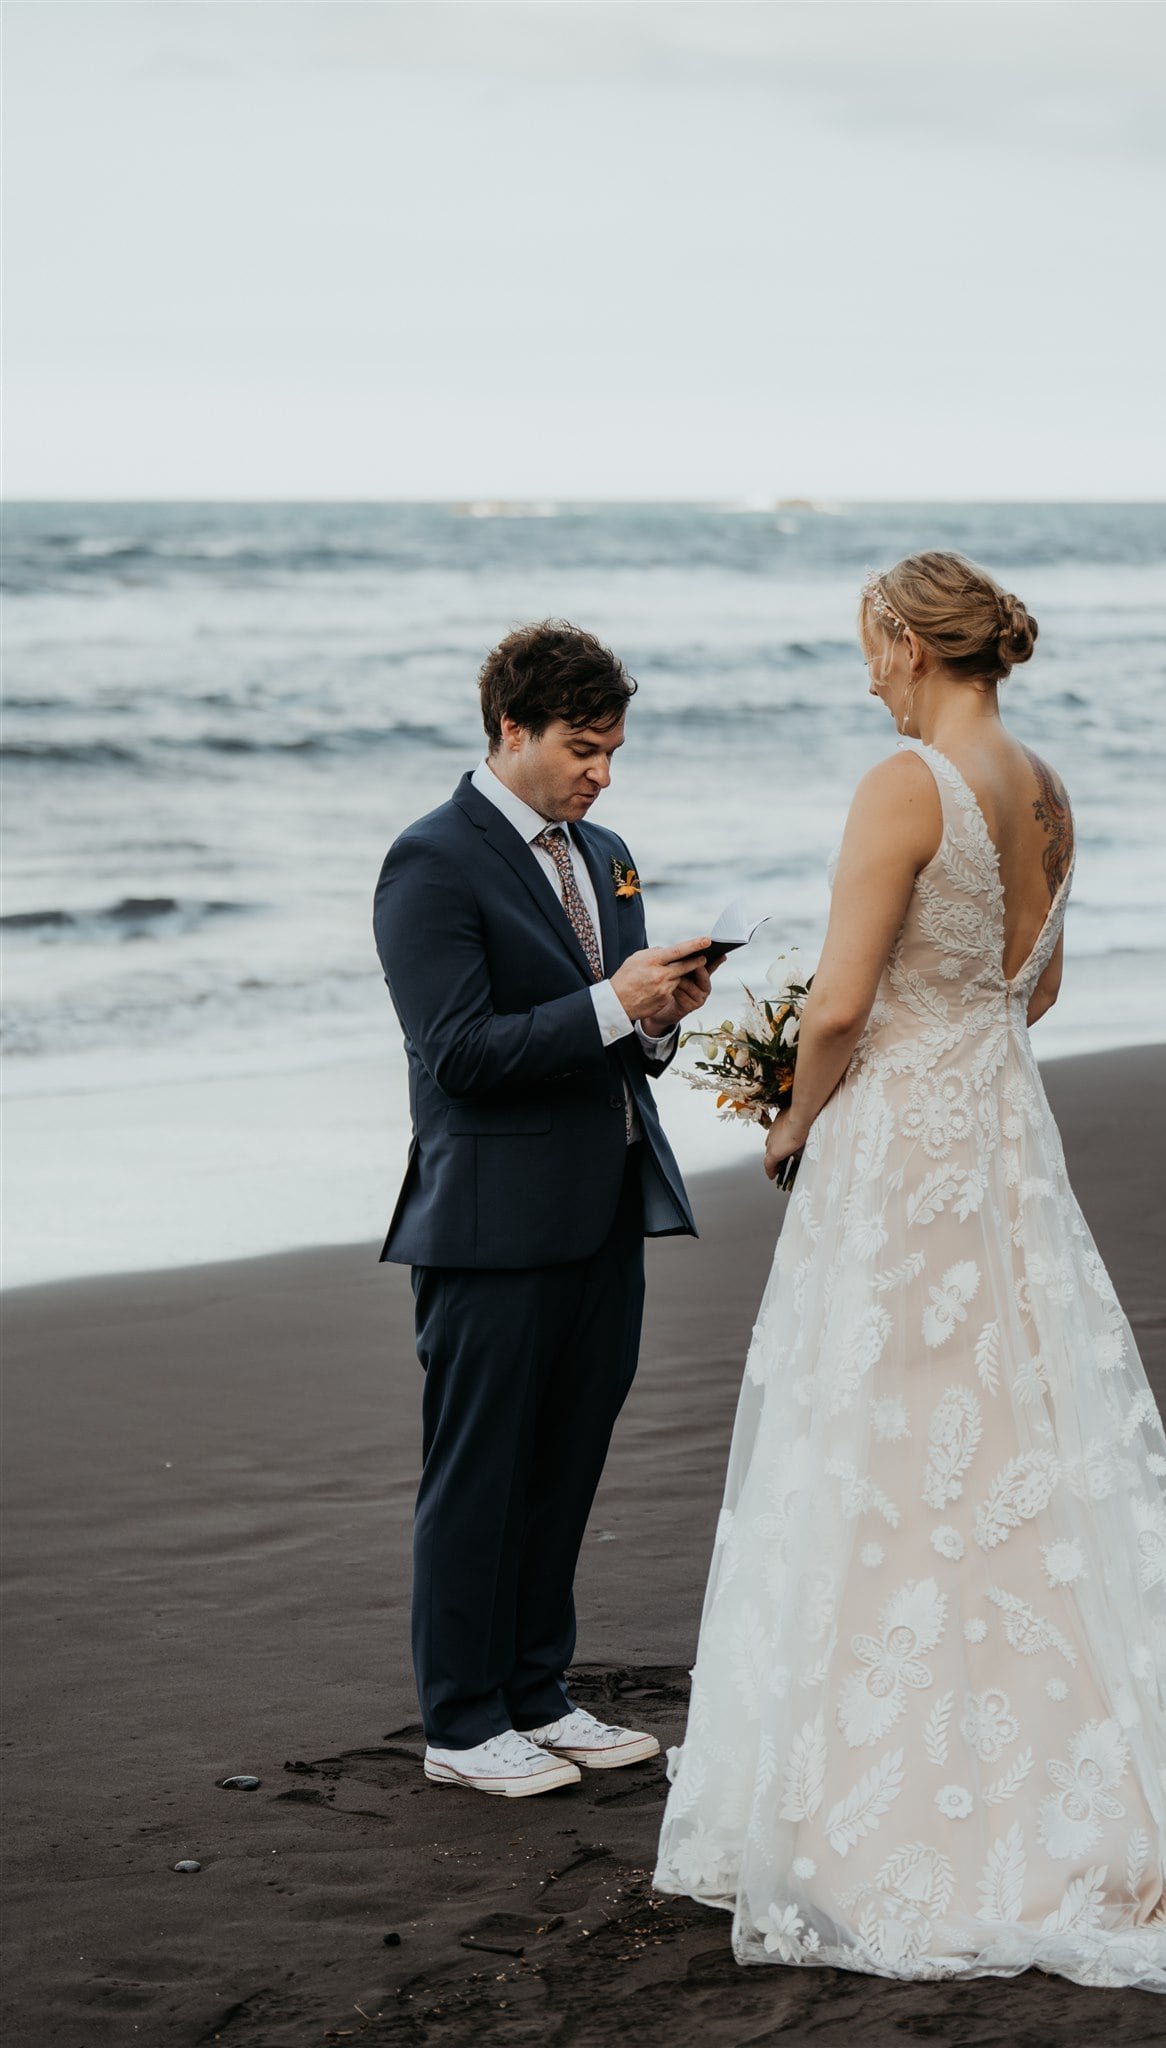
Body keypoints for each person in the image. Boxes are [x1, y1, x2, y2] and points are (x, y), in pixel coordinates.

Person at [654, 552, 1166, 2000]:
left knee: (889, 1436)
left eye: (868, 646)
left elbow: (844, 1000)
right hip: (999, 1127)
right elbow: (1036, 987)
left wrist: (791, 1111)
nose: (862, 674)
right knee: (1016, 1430)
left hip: (904, 1142)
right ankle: (1062, 1755)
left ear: (915, 643)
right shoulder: (1044, 787)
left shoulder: (901, 784)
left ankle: (908, 1794)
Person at [374, 619, 711, 1798]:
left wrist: (657, 1013)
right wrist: (614, 1005)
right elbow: (458, 1053)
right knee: (480, 1472)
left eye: (613, 749)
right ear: (511, 728)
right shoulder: (431, 859)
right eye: (581, 745)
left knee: (565, 1463)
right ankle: (461, 1723)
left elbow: (613, 1030)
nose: (600, 771)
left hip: (607, 1202)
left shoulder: (605, 849)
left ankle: (536, 1690)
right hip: (489, 1221)